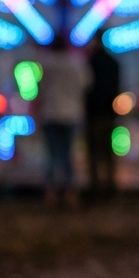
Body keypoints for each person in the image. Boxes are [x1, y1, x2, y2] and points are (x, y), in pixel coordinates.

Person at [37, 36, 91, 207]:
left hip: (50, 113)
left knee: (52, 155)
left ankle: (51, 193)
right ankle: (70, 193)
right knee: (68, 155)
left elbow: (41, 91)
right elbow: (86, 85)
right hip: (71, 114)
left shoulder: (47, 64)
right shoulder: (76, 64)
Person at [84, 34, 121, 202]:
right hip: (109, 113)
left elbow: (85, 88)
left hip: (93, 113)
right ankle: (110, 187)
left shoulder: (90, 63)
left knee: (93, 153)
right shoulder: (114, 64)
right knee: (108, 153)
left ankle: (95, 188)